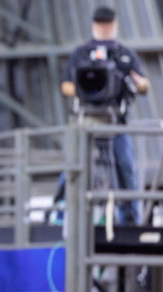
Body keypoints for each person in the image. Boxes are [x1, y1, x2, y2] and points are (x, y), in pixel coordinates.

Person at [57, 6, 149, 225]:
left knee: (125, 168)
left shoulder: (125, 55)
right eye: (100, 24)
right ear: (93, 25)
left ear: (115, 25)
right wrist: (85, 88)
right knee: (71, 168)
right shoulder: (80, 54)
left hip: (117, 122)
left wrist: (134, 83)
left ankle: (129, 219)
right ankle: (59, 215)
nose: (104, 28)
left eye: (107, 24)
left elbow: (144, 85)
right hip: (86, 123)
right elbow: (66, 86)